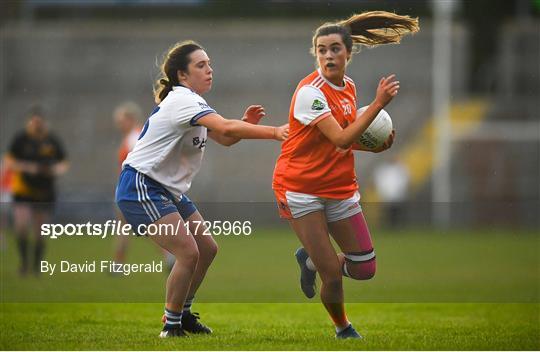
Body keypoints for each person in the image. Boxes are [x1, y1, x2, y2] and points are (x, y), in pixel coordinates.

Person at [115, 40, 289, 338]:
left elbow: (226, 137)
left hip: (167, 189)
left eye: (209, 64)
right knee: (188, 252)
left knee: (207, 249)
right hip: (141, 184)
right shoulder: (183, 100)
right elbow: (227, 129)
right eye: (201, 65)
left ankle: (182, 315)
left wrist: (244, 124)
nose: (209, 70)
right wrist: (274, 132)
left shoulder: (191, 101)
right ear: (182, 75)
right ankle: (170, 326)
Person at [272, 11, 419, 339]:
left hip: (338, 187)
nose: (328, 55)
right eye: (321, 49)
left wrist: (375, 148)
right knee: (333, 277)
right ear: (316, 54)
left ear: (348, 53)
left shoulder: (349, 87)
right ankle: (343, 328)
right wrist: (378, 104)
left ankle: (309, 261)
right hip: (301, 188)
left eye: (335, 49)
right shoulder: (310, 93)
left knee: (365, 268)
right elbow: (340, 138)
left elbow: (343, 140)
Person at [3, 107, 69, 275]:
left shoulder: (51, 140)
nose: (37, 126)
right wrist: (28, 167)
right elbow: (9, 161)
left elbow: (64, 162)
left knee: (40, 230)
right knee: (22, 226)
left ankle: (37, 265)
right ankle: (24, 263)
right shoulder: (21, 139)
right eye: (34, 122)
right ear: (29, 122)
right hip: (23, 189)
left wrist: (54, 170)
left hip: (44, 190)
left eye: (39, 123)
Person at [373, 156, 410, 227]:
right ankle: (389, 225)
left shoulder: (401, 168)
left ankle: (397, 225)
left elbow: (405, 181)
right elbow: (379, 181)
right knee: (388, 212)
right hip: (387, 195)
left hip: (398, 195)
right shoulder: (383, 169)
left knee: (397, 211)